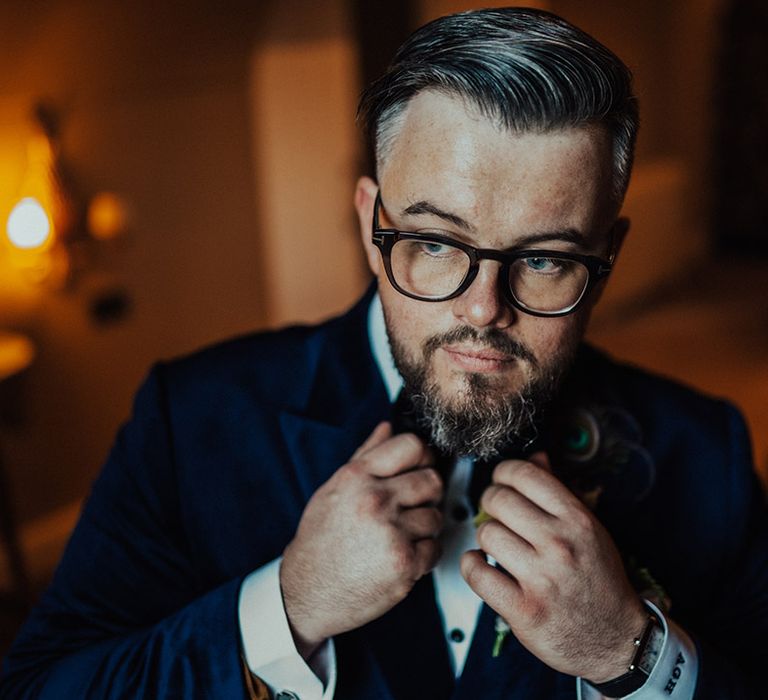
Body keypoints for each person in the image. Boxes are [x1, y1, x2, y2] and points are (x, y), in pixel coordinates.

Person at [1, 7, 766, 699]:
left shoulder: (708, 453)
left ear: (609, 256)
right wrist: (287, 607)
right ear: (372, 224)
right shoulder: (190, 420)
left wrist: (632, 654)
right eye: (435, 242)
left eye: (544, 260)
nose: (482, 309)